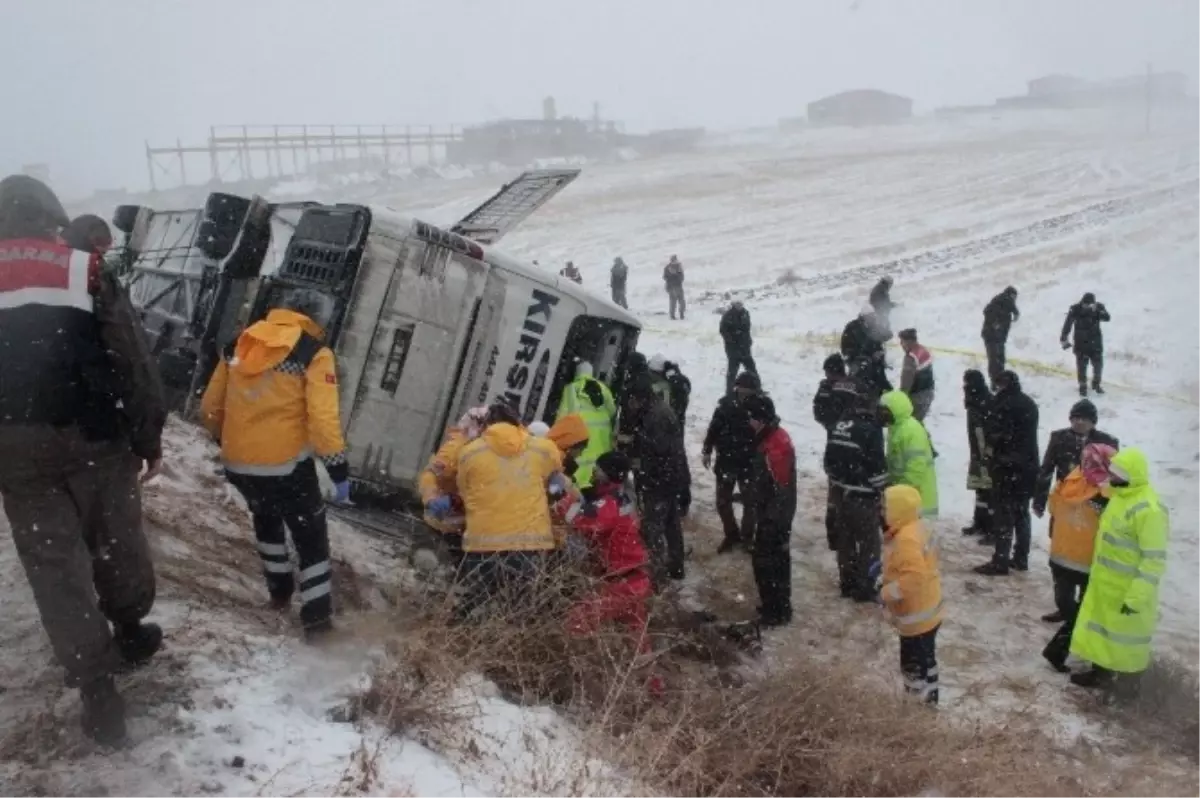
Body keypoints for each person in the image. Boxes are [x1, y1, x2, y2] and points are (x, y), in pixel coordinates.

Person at [0, 174, 166, 746]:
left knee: (54, 570)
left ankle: (98, 691)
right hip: (95, 436)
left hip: (14, 448)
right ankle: (129, 625)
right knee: (114, 536)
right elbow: (132, 355)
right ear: (51, 215)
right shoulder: (84, 268)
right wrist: (148, 434)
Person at [201, 290, 349, 638]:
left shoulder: (241, 342)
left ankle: (279, 593)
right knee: (310, 538)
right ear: (315, 316)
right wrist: (338, 468)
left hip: (239, 462)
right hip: (286, 466)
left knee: (266, 521)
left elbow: (210, 406)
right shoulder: (314, 353)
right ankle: (317, 622)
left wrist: (226, 438)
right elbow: (323, 420)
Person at [437, 401, 565, 620]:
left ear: (487, 424)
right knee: (516, 612)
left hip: (482, 543)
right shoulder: (543, 448)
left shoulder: (469, 453)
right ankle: (502, 646)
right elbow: (556, 483)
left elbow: (466, 492)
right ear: (518, 422)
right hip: (528, 544)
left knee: (471, 604)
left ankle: (458, 638)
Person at [1069, 448, 1169, 689]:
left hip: (1128, 590)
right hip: (1106, 584)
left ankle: (1127, 689)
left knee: (1125, 643)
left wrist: (1137, 597)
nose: (1111, 477)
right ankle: (1099, 674)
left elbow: (1153, 559)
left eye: (1117, 474)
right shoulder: (1119, 498)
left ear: (1130, 476)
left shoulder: (1149, 509)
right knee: (1103, 635)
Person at [1033, 400, 1120, 617]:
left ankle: (1084, 607)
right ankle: (1064, 604)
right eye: (1075, 418)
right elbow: (1047, 469)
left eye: (1084, 419)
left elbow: (1118, 476)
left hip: (1093, 507)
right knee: (1061, 554)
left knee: (1088, 557)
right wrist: (1039, 500)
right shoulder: (1059, 437)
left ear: (1093, 422)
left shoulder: (1107, 442)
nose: (1079, 422)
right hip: (1066, 502)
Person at [1041, 443, 1115, 674]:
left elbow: (1054, 507)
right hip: (1088, 561)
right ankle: (1064, 648)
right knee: (1083, 612)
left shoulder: (1069, 481)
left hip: (1062, 554)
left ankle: (1065, 647)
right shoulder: (1109, 493)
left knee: (1071, 606)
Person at [879, 484, 943, 706]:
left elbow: (914, 577)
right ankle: (931, 698)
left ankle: (916, 710)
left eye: (886, 507)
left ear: (898, 511)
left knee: (911, 668)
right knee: (928, 660)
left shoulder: (905, 540)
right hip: (930, 612)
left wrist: (886, 592)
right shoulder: (917, 527)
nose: (881, 512)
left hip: (915, 617)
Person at [824, 392, 888, 600]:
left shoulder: (839, 425)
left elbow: (828, 462)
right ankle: (866, 586)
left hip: (841, 494)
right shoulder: (871, 429)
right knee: (870, 544)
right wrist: (882, 488)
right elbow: (877, 467)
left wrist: (841, 480)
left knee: (846, 541)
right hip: (864, 497)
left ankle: (847, 582)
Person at [974, 370, 1039, 575]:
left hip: (1007, 467)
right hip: (1028, 466)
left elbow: (998, 435)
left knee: (1004, 515)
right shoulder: (1028, 403)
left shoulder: (1003, 404)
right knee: (1022, 513)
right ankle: (1021, 558)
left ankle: (1000, 560)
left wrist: (993, 452)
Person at [625, 375, 690, 582]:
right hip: (671, 477)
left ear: (640, 398)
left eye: (631, 400)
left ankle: (656, 576)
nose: (629, 405)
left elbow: (659, 452)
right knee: (671, 523)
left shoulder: (656, 417)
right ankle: (676, 566)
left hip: (660, 480)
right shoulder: (656, 410)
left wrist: (643, 472)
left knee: (653, 528)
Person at [743, 395, 796, 627]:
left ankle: (775, 610)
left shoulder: (775, 446)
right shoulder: (771, 438)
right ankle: (778, 606)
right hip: (773, 513)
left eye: (752, 418)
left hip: (775, 516)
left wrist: (772, 519)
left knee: (767, 562)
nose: (749, 422)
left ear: (762, 419)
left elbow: (781, 487)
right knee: (775, 561)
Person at [418, 406, 490, 561]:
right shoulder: (456, 448)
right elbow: (431, 475)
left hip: (464, 526)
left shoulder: (481, 450)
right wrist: (432, 499)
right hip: (445, 524)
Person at [703, 371, 761, 553]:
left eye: (749, 390)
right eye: (742, 389)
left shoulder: (762, 406)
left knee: (751, 502)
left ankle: (747, 537)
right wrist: (707, 449)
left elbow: (769, 432)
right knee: (722, 502)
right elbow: (714, 428)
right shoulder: (725, 405)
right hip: (726, 460)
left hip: (749, 462)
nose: (745, 393)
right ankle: (731, 534)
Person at [813, 355, 865, 550]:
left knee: (835, 488)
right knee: (854, 488)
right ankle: (852, 532)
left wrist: (834, 426)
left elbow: (818, 413)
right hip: (857, 446)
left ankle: (834, 534)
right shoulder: (857, 385)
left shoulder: (826, 388)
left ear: (830, 371)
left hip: (835, 444)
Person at [555, 361, 616, 487]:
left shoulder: (572, 389)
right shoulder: (604, 388)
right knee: (593, 476)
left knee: (579, 478)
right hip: (602, 441)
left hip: (582, 440)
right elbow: (613, 411)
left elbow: (562, 419)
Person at [880, 391, 939, 518]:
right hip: (905, 497)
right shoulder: (895, 428)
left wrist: (899, 491)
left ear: (895, 410)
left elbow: (916, 469)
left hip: (917, 498)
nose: (882, 415)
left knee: (910, 537)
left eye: (885, 411)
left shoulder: (911, 430)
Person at [960, 370, 994, 539]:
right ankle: (979, 522)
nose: (964, 386)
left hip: (985, 453)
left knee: (988, 490)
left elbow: (984, 430)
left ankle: (990, 527)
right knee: (980, 489)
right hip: (976, 452)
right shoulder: (975, 401)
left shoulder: (984, 402)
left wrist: (985, 453)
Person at [1060, 292, 1111, 397]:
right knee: (1082, 365)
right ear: (1082, 302)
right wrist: (1064, 338)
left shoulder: (1098, 308)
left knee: (1098, 365)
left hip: (1095, 342)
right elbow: (1068, 324)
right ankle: (1082, 385)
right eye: (1085, 304)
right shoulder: (1075, 309)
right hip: (1081, 342)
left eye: (1089, 305)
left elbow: (1107, 318)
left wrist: (1099, 311)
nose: (1087, 307)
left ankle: (1096, 384)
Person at [841, 307, 892, 396]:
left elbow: (887, 335)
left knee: (882, 386)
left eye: (874, 316)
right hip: (859, 365)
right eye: (871, 317)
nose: (873, 319)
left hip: (876, 364)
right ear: (864, 316)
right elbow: (847, 350)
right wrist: (868, 357)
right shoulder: (852, 328)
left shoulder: (874, 326)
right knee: (862, 387)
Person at [981, 286, 1020, 385]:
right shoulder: (1003, 299)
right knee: (995, 360)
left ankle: (998, 381)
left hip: (996, 337)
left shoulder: (1002, 306)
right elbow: (989, 311)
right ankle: (995, 383)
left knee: (999, 359)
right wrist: (1015, 312)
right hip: (992, 336)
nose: (1014, 300)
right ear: (1010, 295)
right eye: (1014, 297)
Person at [719, 300, 758, 394]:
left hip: (745, 348)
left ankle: (757, 389)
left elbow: (747, 328)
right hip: (733, 349)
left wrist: (748, 341)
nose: (739, 306)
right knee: (732, 372)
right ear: (733, 305)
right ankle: (729, 392)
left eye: (741, 304)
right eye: (737, 304)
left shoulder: (745, 313)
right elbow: (723, 330)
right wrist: (733, 340)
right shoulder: (728, 315)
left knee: (752, 370)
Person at [897, 328, 935, 423]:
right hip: (927, 392)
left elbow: (906, 382)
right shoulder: (922, 350)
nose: (901, 344)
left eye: (902, 341)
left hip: (917, 396)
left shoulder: (910, 358)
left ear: (909, 341)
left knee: (911, 424)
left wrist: (901, 399)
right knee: (918, 423)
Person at [663, 255, 686, 320]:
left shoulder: (678, 266)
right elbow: (664, 277)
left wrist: (675, 274)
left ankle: (680, 314)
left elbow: (682, 277)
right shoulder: (668, 267)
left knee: (680, 302)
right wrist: (672, 275)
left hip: (677, 286)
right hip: (673, 286)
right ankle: (674, 315)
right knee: (675, 302)